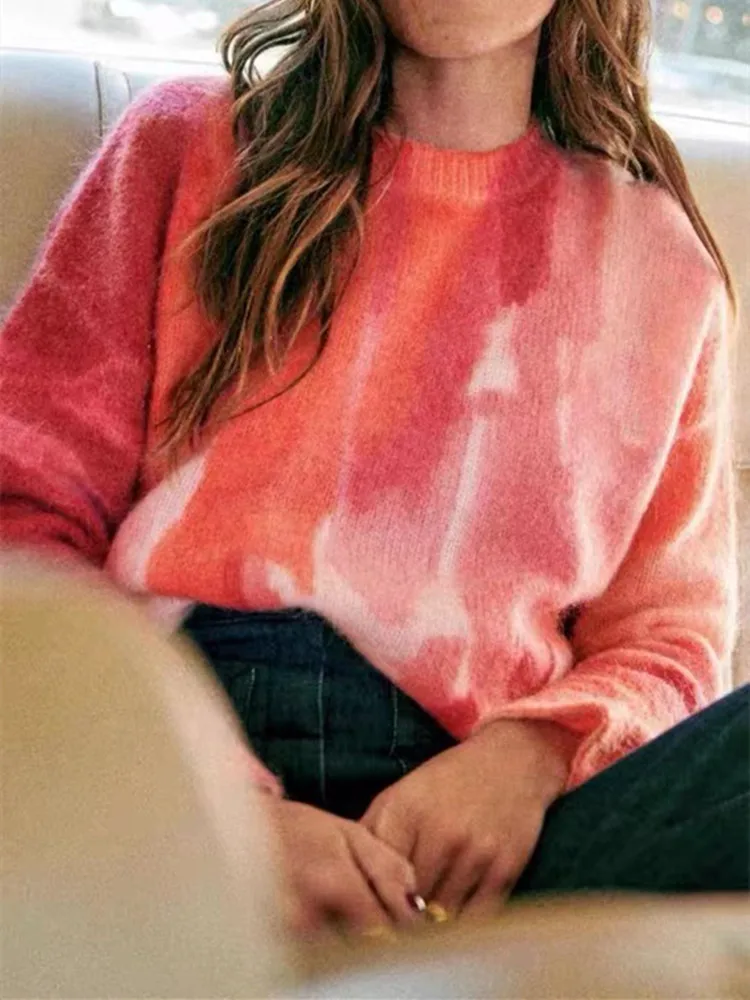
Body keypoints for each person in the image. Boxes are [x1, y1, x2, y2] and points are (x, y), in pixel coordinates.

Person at [1, 0, 748, 937]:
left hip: (487, 830)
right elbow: (24, 514)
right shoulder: (184, 144)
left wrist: (529, 758)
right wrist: (215, 804)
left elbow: (671, 640)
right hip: (173, 747)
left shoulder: (663, 266)